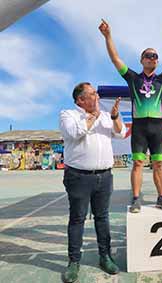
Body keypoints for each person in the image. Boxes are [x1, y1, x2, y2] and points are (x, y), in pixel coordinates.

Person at [99, 19, 162, 213]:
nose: (152, 58)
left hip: (156, 128)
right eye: (148, 55)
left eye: (155, 56)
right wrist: (108, 36)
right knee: (137, 163)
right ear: (141, 60)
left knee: (159, 163)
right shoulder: (133, 78)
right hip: (139, 128)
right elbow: (115, 59)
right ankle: (135, 198)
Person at [60, 82, 126, 283]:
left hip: (104, 176)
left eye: (96, 93)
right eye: (92, 94)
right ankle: (74, 262)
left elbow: (121, 133)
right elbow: (75, 133)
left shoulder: (106, 115)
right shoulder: (68, 115)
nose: (97, 97)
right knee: (77, 218)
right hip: (78, 177)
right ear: (80, 100)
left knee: (102, 217)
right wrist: (95, 116)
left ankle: (105, 256)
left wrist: (114, 117)